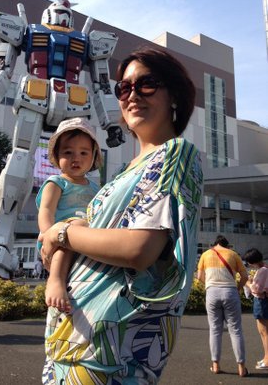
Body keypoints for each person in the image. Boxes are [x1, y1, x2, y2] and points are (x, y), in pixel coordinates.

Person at [40, 48, 203, 384]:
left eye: (146, 84)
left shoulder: (174, 153)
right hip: (72, 341)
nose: (132, 95)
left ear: (175, 95)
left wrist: (61, 232)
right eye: (124, 88)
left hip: (111, 355)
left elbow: (138, 249)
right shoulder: (124, 172)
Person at [36, 117, 102, 312]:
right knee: (71, 233)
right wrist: (48, 232)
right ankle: (55, 280)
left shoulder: (95, 187)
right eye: (68, 152)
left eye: (84, 152)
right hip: (61, 235)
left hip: (87, 235)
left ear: (93, 156)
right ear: (56, 156)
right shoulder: (56, 182)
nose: (76, 158)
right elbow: (46, 209)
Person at [197, 235, 249, 377]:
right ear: (227, 245)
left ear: (214, 244)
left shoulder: (205, 254)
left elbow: (199, 276)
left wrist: (209, 285)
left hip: (212, 293)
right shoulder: (233, 254)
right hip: (230, 292)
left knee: (215, 330)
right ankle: (241, 368)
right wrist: (237, 288)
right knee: (236, 330)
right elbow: (245, 276)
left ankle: (216, 365)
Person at [242, 248, 268, 370]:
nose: (248, 265)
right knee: (264, 332)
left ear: (252, 261)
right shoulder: (264, 268)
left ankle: (267, 360)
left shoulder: (262, 271)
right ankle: (266, 357)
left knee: (264, 332)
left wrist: (247, 283)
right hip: (263, 300)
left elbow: (257, 290)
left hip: (262, 301)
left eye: (248, 262)